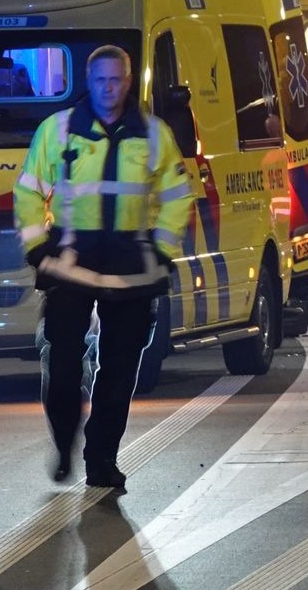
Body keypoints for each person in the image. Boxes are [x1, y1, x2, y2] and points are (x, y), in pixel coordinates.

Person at [14, 45, 193, 491]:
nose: (108, 88)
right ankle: (65, 443)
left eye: (116, 80)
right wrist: (37, 249)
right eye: (100, 80)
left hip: (131, 266)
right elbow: (29, 192)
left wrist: (162, 250)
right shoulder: (56, 131)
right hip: (71, 262)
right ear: (88, 82)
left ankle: (102, 461)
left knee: (118, 372)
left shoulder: (154, 135)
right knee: (63, 365)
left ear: (128, 82)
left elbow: (177, 197)